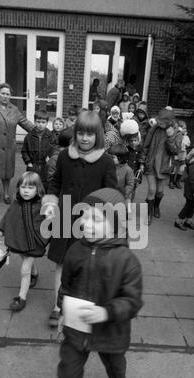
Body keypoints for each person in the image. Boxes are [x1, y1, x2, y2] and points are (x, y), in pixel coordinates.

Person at [54, 187, 143, 378]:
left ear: (114, 224)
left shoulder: (126, 259)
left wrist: (106, 312)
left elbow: (133, 301)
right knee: (67, 374)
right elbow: (67, 285)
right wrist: (62, 310)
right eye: (84, 216)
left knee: (114, 365)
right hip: (76, 326)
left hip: (111, 332)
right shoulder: (75, 250)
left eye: (96, 218)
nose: (86, 223)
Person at [41, 110, 117, 328]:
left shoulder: (105, 162)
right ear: (75, 133)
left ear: (98, 136)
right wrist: (49, 203)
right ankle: (58, 306)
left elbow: (112, 194)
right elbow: (55, 183)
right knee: (61, 264)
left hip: (90, 224)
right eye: (81, 133)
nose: (85, 138)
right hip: (64, 219)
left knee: (86, 267)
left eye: (90, 134)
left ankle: (81, 310)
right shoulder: (65, 156)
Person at [0, 172, 49, 312]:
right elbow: (8, 215)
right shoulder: (16, 202)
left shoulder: (42, 205)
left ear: (38, 189)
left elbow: (49, 222)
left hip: (34, 241)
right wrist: (1, 228)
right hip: (19, 240)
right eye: (23, 186)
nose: (26, 190)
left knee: (24, 269)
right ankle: (35, 273)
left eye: (30, 187)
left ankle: (22, 297)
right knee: (24, 258)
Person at [142, 108, 175, 224]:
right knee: (152, 189)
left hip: (164, 166)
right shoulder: (153, 129)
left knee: (159, 191)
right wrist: (142, 162)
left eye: (163, 121)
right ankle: (149, 214)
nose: (160, 123)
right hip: (151, 163)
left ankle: (156, 206)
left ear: (169, 121)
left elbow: (175, 151)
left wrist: (170, 137)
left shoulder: (175, 131)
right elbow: (145, 146)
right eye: (159, 120)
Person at [21, 110, 52, 186]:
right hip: (33, 165)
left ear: (47, 123)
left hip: (45, 165)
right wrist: (28, 162)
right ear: (34, 122)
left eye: (43, 122)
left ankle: (43, 197)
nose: (40, 124)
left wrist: (50, 157)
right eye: (38, 122)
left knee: (44, 184)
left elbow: (54, 148)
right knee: (32, 184)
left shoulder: (51, 135)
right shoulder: (29, 136)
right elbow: (24, 151)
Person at [120, 119, 145, 201]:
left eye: (135, 140)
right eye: (131, 141)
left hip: (134, 172)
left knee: (133, 189)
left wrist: (141, 165)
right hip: (126, 171)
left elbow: (141, 157)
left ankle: (130, 202)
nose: (133, 142)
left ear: (138, 141)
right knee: (124, 187)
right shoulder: (126, 149)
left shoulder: (139, 149)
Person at [167, 120, 190, 189]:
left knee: (181, 169)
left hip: (183, 155)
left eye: (185, 128)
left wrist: (186, 145)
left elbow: (188, 144)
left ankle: (177, 181)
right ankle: (171, 181)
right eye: (183, 128)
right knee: (173, 168)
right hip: (176, 154)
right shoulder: (175, 135)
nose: (185, 130)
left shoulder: (186, 137)